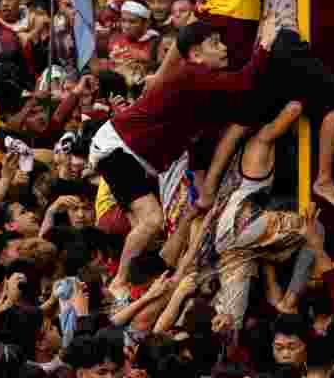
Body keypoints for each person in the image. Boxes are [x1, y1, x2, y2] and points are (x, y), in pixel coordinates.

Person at [89, 15, 280, 293]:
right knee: (152, 221)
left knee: (145, 230)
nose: (224, 48)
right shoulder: (192, 74)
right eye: (215, 43)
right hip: (119, 148)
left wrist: (204, 188)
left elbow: (197, 144)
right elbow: (243, 84)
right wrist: (265, 45)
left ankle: (131, 285)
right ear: (196, 54)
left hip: (127, 153)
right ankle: (119, 282)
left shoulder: (201, 87)